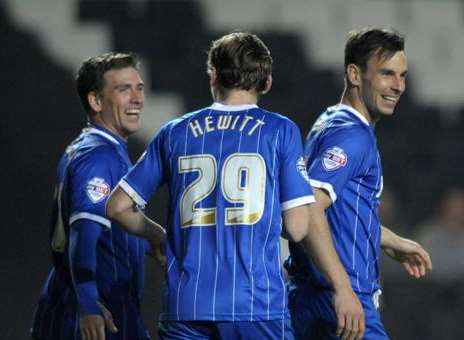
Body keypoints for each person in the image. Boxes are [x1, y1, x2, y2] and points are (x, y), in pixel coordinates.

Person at [107, 31, 364, 340]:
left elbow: (118, 206)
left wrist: (158, 236)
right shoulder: (279, 131)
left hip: (185, 306)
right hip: (257, 305)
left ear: (213, 74)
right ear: (266, 83)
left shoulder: (174, 132)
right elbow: (297, 227)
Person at [285, 26, 433, 340]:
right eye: (387, 74)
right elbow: (309, 207)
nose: (398, 86)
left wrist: (392, 241)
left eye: (403, 76)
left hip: (310, 297)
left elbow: (339, 215)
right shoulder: (351, 135)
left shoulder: (330, 122)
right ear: (354, 74)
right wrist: (342, 289)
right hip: (339, 302)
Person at [31, 52, 165, 340]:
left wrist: (151, 236)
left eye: (139, 88)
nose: (137, 98)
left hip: (79, 302)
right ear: (95, 101)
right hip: (99, 314)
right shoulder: (99, 157)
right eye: (123, 89)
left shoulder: (89, 148)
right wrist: (89, 305)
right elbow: (85, 232)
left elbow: (108, 234)